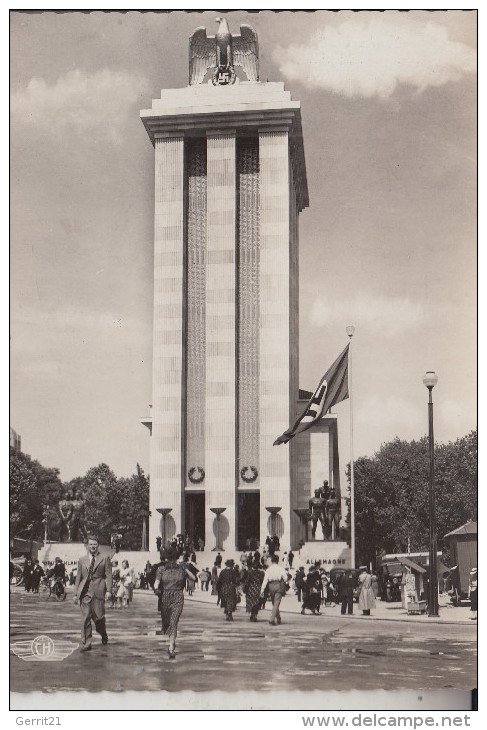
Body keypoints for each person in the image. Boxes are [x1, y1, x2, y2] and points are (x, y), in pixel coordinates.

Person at [154, 546, 194, 659]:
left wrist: (185, 569)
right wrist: (156, 588)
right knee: (168, 622)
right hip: (167, 596)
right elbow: (156, 583)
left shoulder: (181, 568)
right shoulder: (161, 569)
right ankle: (172, 639)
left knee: (173, 621)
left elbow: (193, 578)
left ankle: (171, 645)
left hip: (177, 596)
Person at [74, 535, 112, 651]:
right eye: (90, 544)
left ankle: (103, 633)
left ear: (98, 545)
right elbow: (78, 577)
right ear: (87, 546)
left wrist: (109, 590)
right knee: (85, 618)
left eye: (95, 544)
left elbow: (109, 575)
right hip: (85, 592)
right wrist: (76, 594)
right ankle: (86, 643)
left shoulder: (104, 558)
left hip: (99, 591)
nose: (93, 546)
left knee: (99, 618)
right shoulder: (82, 560)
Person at [260, 554, 290, 626]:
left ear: (272, 561)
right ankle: (272, 619)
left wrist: (262, 590)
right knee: (276, 603)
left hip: (271, 586)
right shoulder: (281, 568)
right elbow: (285, 579)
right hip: (278, 585)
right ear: (278, 561)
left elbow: (265, 580)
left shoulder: (268, 569)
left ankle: (278, 617)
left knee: (274, 603)